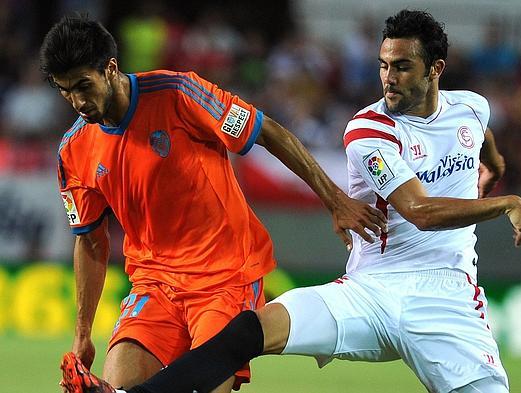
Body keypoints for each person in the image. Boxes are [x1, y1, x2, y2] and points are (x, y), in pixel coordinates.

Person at [60, 9, 521, 393]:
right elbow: (420, 213)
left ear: (435, 70)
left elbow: (475, 127)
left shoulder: (469, 106)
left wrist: (493, 162)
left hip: (447, 296)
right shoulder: (368, 131)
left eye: (402, 67)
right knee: (258, 328)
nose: (388, 78)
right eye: (383, 66)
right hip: (370, 290)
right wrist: (505, 201)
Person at [41, 15, 386, 393]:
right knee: (119, 385)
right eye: (65, 91)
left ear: (110, 68)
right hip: (153, 284)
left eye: (83, 86)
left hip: (225, 275)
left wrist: (334, 200)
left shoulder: (179, 93)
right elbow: (90, 240)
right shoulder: (73, 150)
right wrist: (83, 333)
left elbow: (267, 131)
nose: (78, 101)